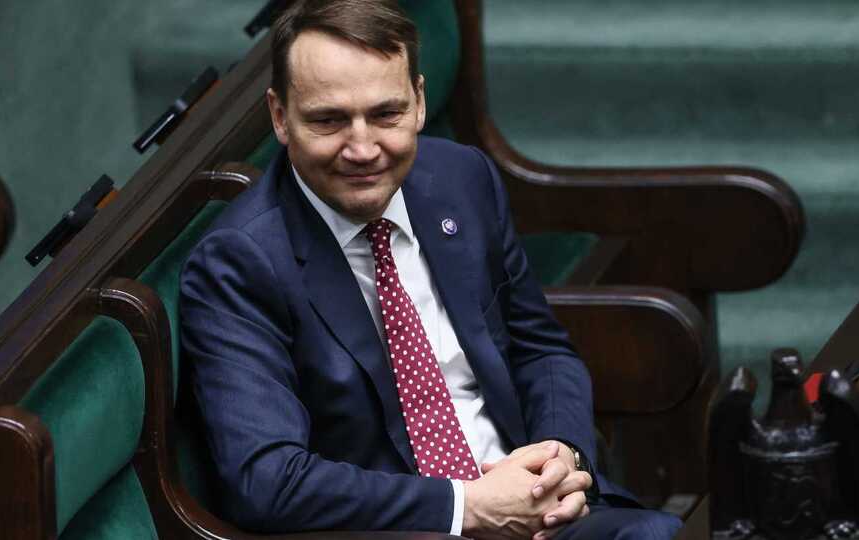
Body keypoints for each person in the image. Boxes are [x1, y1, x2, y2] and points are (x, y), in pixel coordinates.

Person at [179, 1, 682, 538]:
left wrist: (562, 458)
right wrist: (469, 506)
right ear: (280, 117)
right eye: (329, 120)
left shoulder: (462, 178)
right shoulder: (240, 262)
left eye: (385, 114)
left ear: (418, 102)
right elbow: (268, 481)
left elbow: (540, 348)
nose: (363, 148)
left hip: (533, 505)